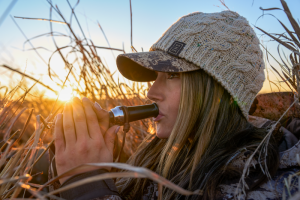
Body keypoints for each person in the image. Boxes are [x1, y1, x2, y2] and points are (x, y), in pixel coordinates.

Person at [51, 10, 300, 200]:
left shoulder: (275, 185)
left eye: (172, 75)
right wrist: (95, 164)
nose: (151, 93)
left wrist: (89, 188)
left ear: (216, 91)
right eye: (155, 77)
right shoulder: (160, 156)